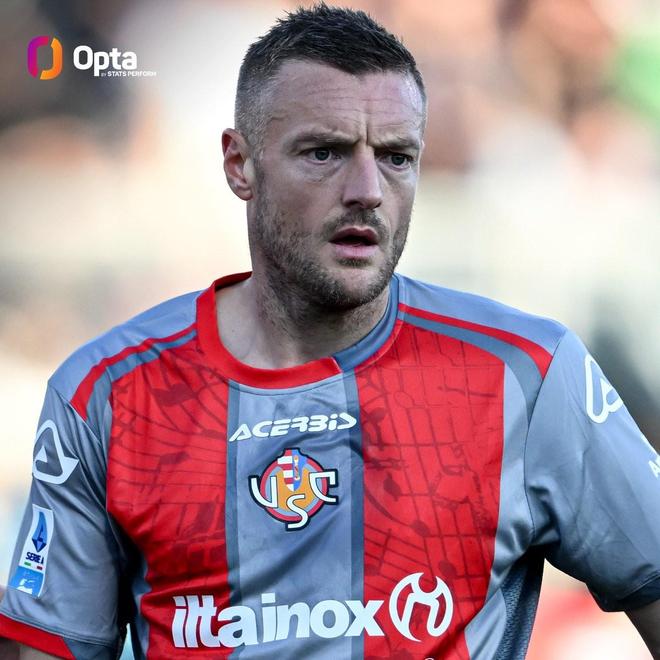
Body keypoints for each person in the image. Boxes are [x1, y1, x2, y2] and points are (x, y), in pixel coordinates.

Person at [2, 4, 660, 659]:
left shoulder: (527, 375)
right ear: (239, 164)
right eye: (324, 152)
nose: (367, 189)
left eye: (397, 157)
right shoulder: (108, 395)